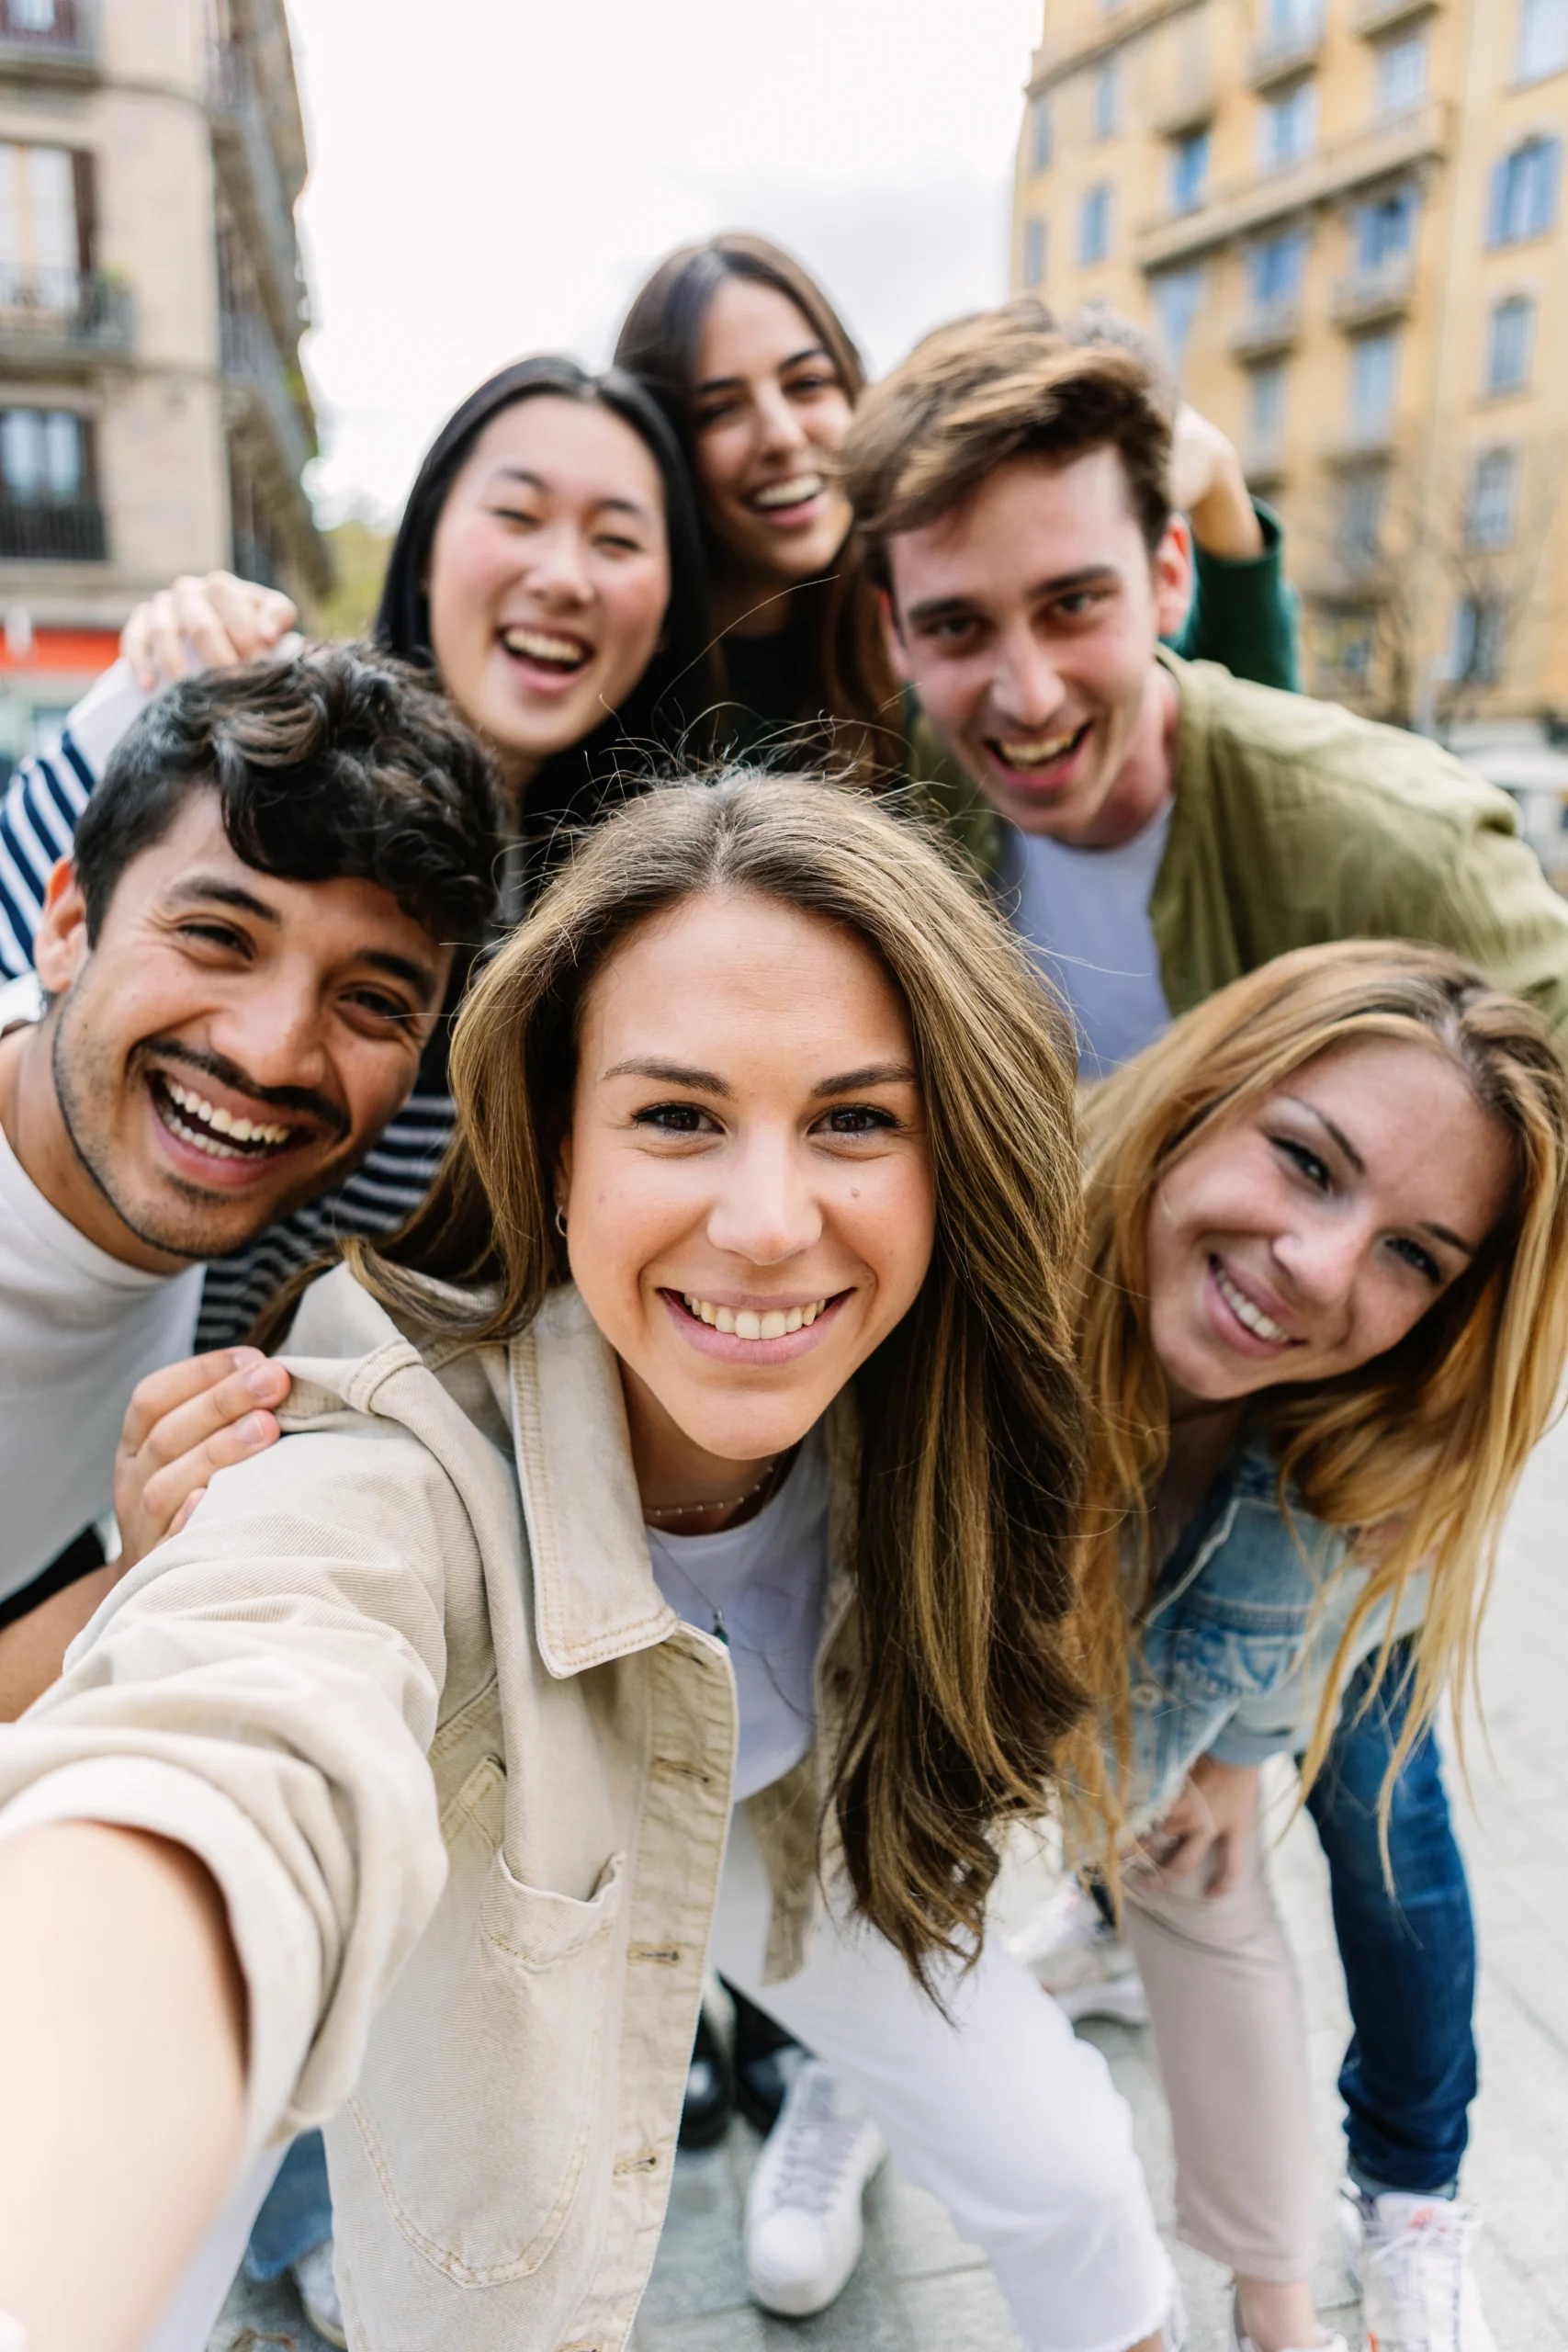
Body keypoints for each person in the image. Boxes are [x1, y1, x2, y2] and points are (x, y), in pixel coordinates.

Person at [0, 773, 1182, 2352]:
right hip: (468, 1870)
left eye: (851, 1118)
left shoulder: (942, 1398)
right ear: (558, 1152)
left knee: (1080, 2175)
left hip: (764, 1824)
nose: (766, 1223)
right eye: (676, 1116)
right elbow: (230, 1744)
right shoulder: (386, 1457)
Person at [837, 300, 1568, 2347]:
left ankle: (1409, 2191)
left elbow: (1521, 1276)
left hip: (1344, 1416)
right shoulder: (927, 792)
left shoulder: (1388, 840)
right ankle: (853, 2070)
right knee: (953, 1770)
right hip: (1093, 1388)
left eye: (1073, 601)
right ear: (893, 628)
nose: (1021, 680)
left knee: (1359, 1791)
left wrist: (1268, 1680)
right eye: (953, 623)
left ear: (1172, 572)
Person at [1060, 940, 1568, 2352]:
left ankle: (1366, 2228)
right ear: (1203, 1094)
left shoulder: (1360, 1446)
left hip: (1209, 1690)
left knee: (1229, 1862)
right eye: (1303, 1161)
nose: (1318, 1268)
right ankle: (845, 2097)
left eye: (1411, 1255)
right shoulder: (962, 1303)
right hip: (860, 1803)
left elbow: (1214, 1909)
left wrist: (1236, 1753)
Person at [0, 643, 497, 1724]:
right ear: (67, 925)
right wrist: (127, 1585)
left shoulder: (293, 1239)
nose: (274, 1054)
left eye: (372, 1000)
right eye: (218, 935)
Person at [614, 237, 1298, 780]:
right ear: (663, 439)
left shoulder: (946, 627)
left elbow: (1246, 751)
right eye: (720, 409)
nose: (783, 436)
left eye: (807, 383)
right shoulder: (614, 688)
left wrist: (1217, 492)